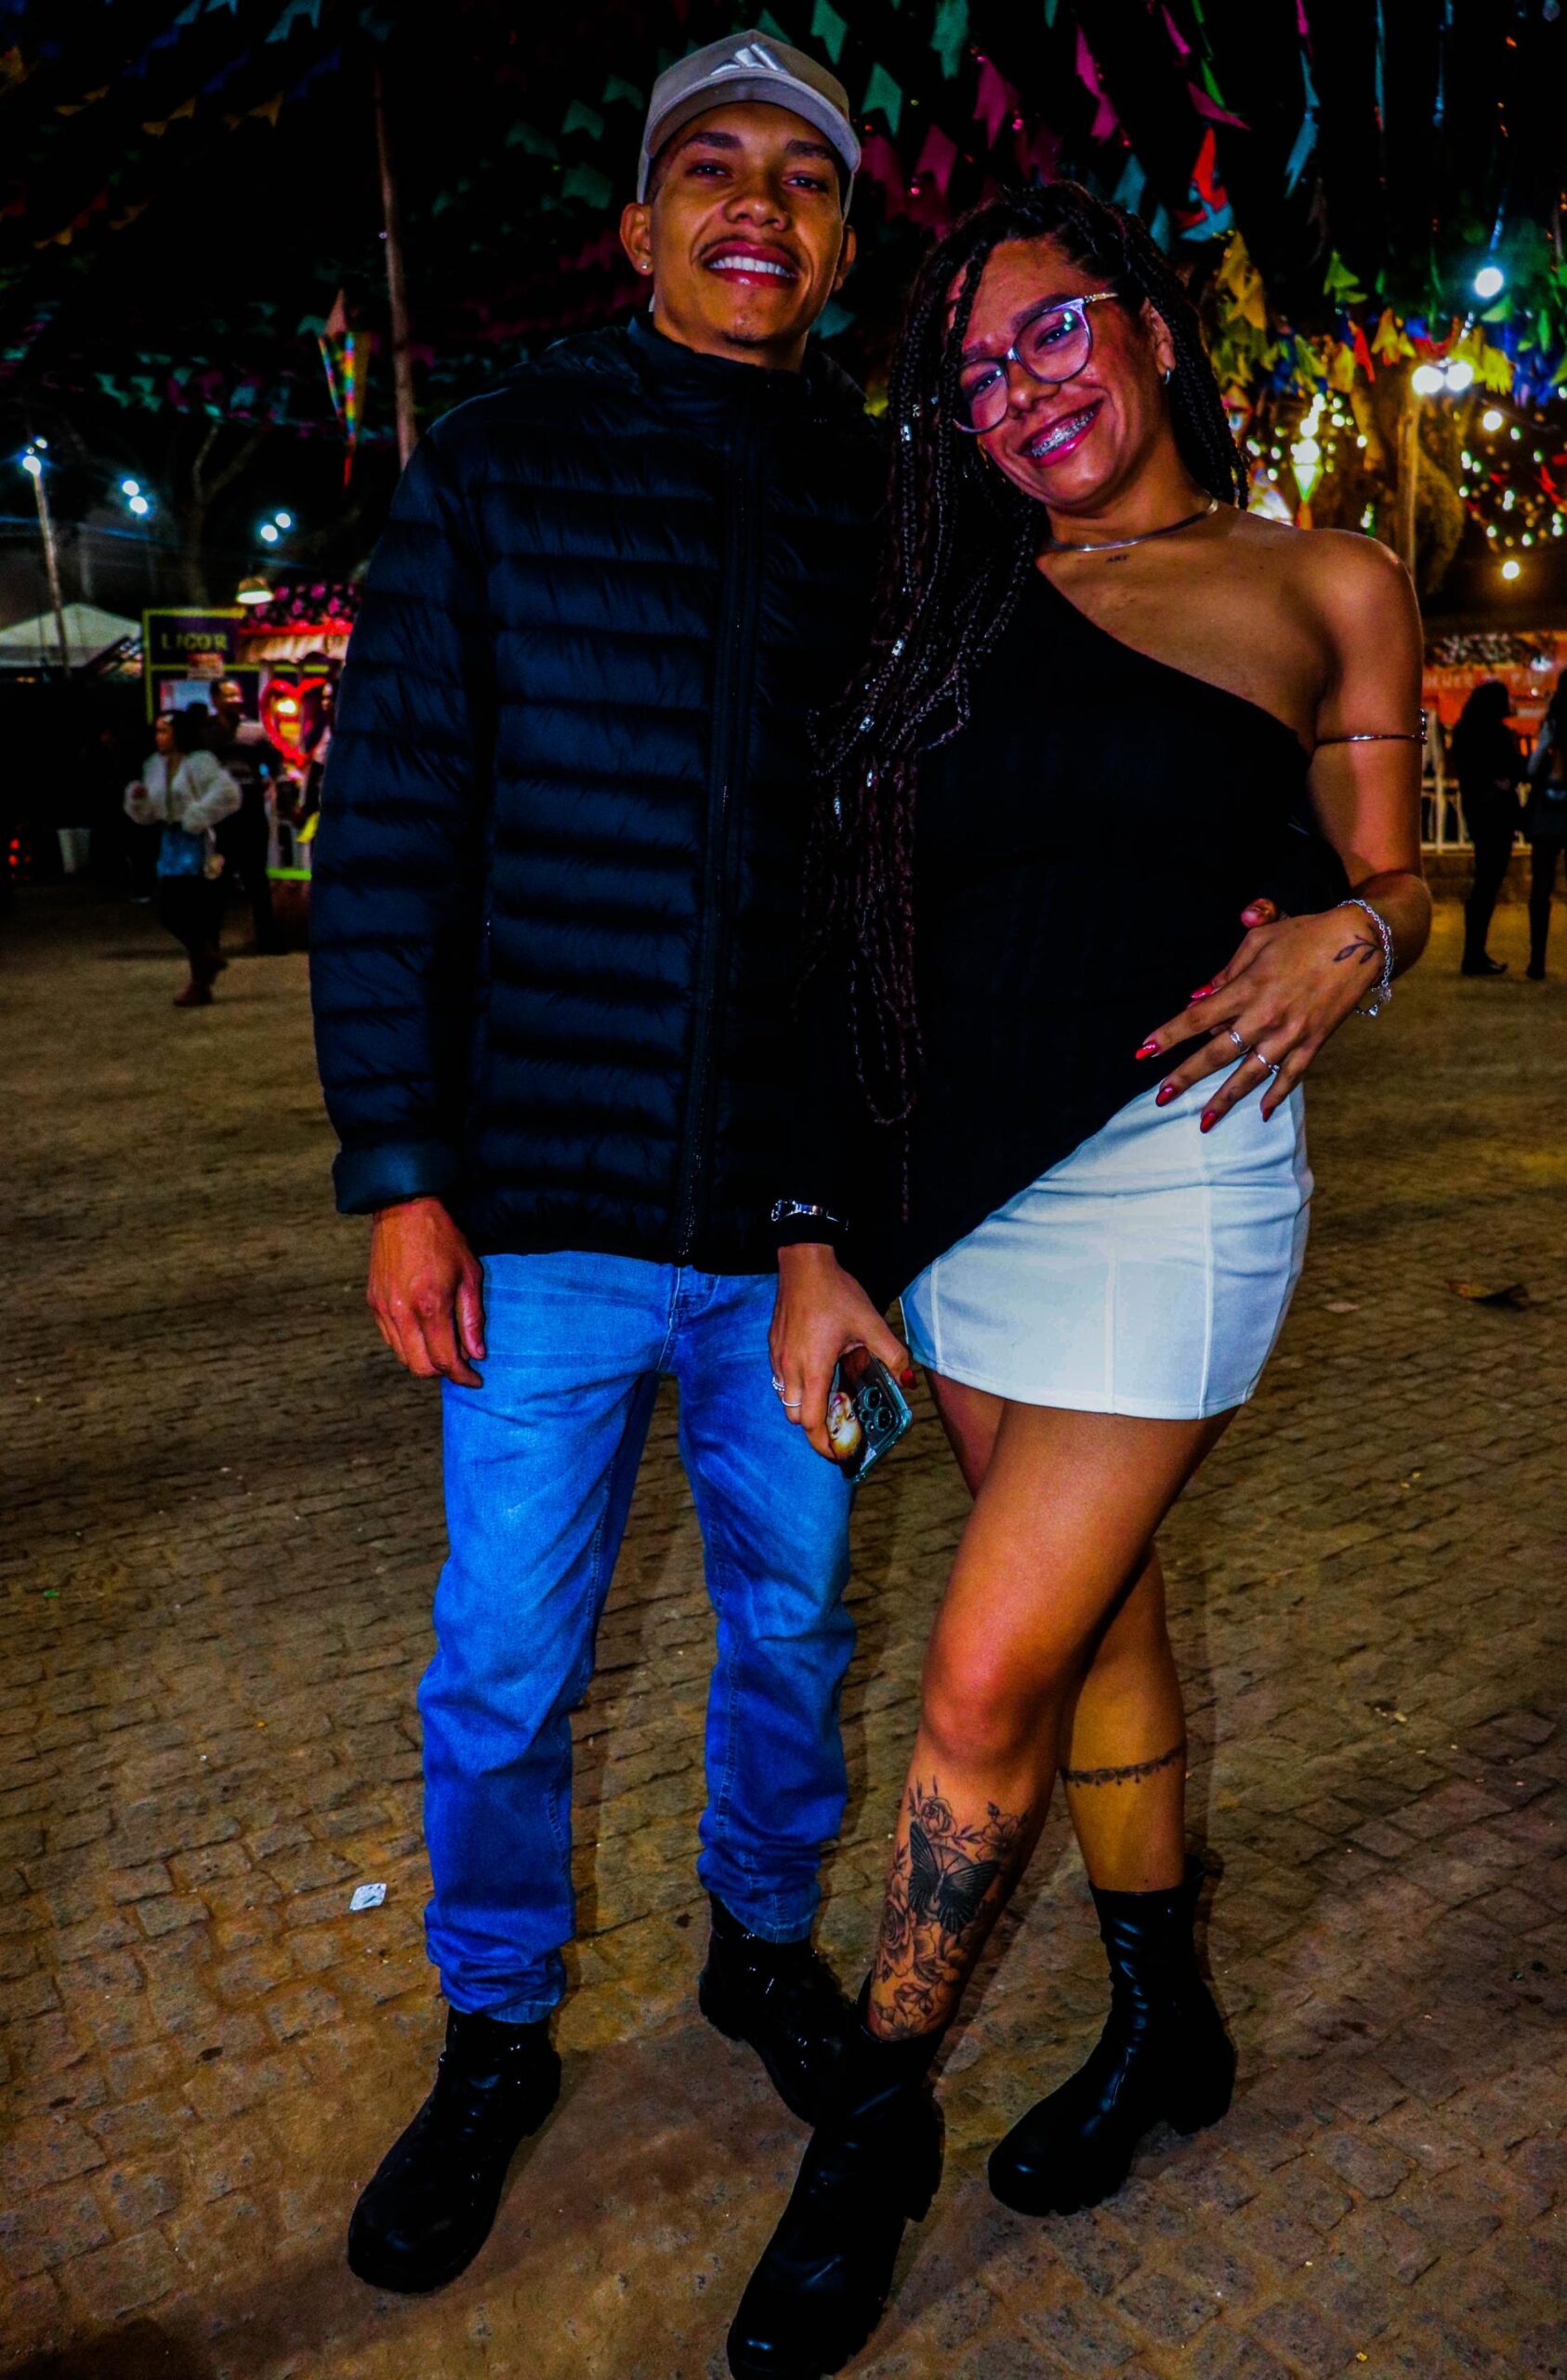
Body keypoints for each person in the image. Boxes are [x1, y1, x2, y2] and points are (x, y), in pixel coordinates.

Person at [728, 182, 1431, 2380]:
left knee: (975, 1676)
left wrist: (1360, 932)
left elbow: (1395, 867)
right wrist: (815, 1234)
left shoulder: (1323, 579)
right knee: (1095, 1622)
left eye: (1047, 335)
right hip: (953, 1202)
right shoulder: (940, 603)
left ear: (1140, 324)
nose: (1017, 391)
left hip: (1170, 1176)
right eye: (971, 375)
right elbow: (837, 929)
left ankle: (870, 2125)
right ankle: (1162, 2019)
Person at [310, 32, 883, 2303]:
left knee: (795, 1624)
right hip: (533, 1221)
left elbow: (919, 869)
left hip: (793, 1240)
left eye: (801, 180)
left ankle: (760, 1940)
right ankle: (491, 2023)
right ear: (638, 224)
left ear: (839, 245)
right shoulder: (496, 465)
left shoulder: (882, 498)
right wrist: (401, 1169)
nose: (756, 206)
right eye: (710, 169)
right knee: (500, 1665)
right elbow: (391, 835)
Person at [125, 707, 239, 1007]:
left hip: (198, 843)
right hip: (171, 841)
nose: (159, 737)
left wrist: (198, 815)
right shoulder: (154, 765)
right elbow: (150, 812)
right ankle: (206, 956)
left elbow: (227, 794)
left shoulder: (200, 762)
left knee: (195, 911)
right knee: (170, 909)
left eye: (164, 731)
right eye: (157, 731)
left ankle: (201, 981)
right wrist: (139, 801)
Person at [1450, 678, 1521, 976]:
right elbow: (1517, 768)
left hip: (1477, 814)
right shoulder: (1499, 735)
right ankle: (1475, 953)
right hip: (1498, 816)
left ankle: (1474, 951)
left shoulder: (1464, 731)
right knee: (1488, 882)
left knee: (1484, 881)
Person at [208, 677, 283, 953]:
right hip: (219, 813)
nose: (236, 700)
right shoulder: (206, 733)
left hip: (250, 809)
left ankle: (267, 938)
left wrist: (275, 785)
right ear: (215, 699)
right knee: (219, 876)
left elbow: (275, 762)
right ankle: (210, 941)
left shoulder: (254, 731)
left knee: (256, 877)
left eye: (238, 695)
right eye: (229, 695)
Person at [1523, 662, 1567, 981]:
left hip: (1547, 810)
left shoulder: (1553, 721)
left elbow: (1534, 765)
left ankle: (1537, 961)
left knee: (1541, 887)